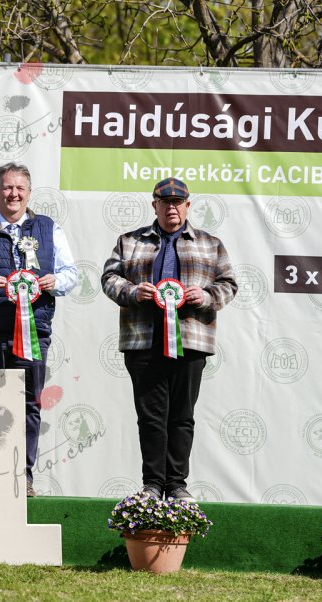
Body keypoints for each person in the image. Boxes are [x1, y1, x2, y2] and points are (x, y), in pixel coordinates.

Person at [101, 177, 237, 500]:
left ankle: (176, 484)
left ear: (188, 206)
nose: (172, 208)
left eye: (178, 202)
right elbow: (108, 278)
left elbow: (229, 284)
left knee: (182, 416)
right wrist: (133, 291)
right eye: (165, 202)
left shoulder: (211, 244)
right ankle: (152, 484)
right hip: (143, 341)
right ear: (155, 206)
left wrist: (205, 297)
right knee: (151, 417)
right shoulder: (129, 241)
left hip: (190, 341)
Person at [0, 162, 78, 497]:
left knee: (29, 405)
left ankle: (24, 476)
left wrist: (54, 282)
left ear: (29, 193)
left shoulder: (49, 228)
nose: (13, 194)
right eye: (7, 187)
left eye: (20, 188)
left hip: (34, 331)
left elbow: (71, 274)